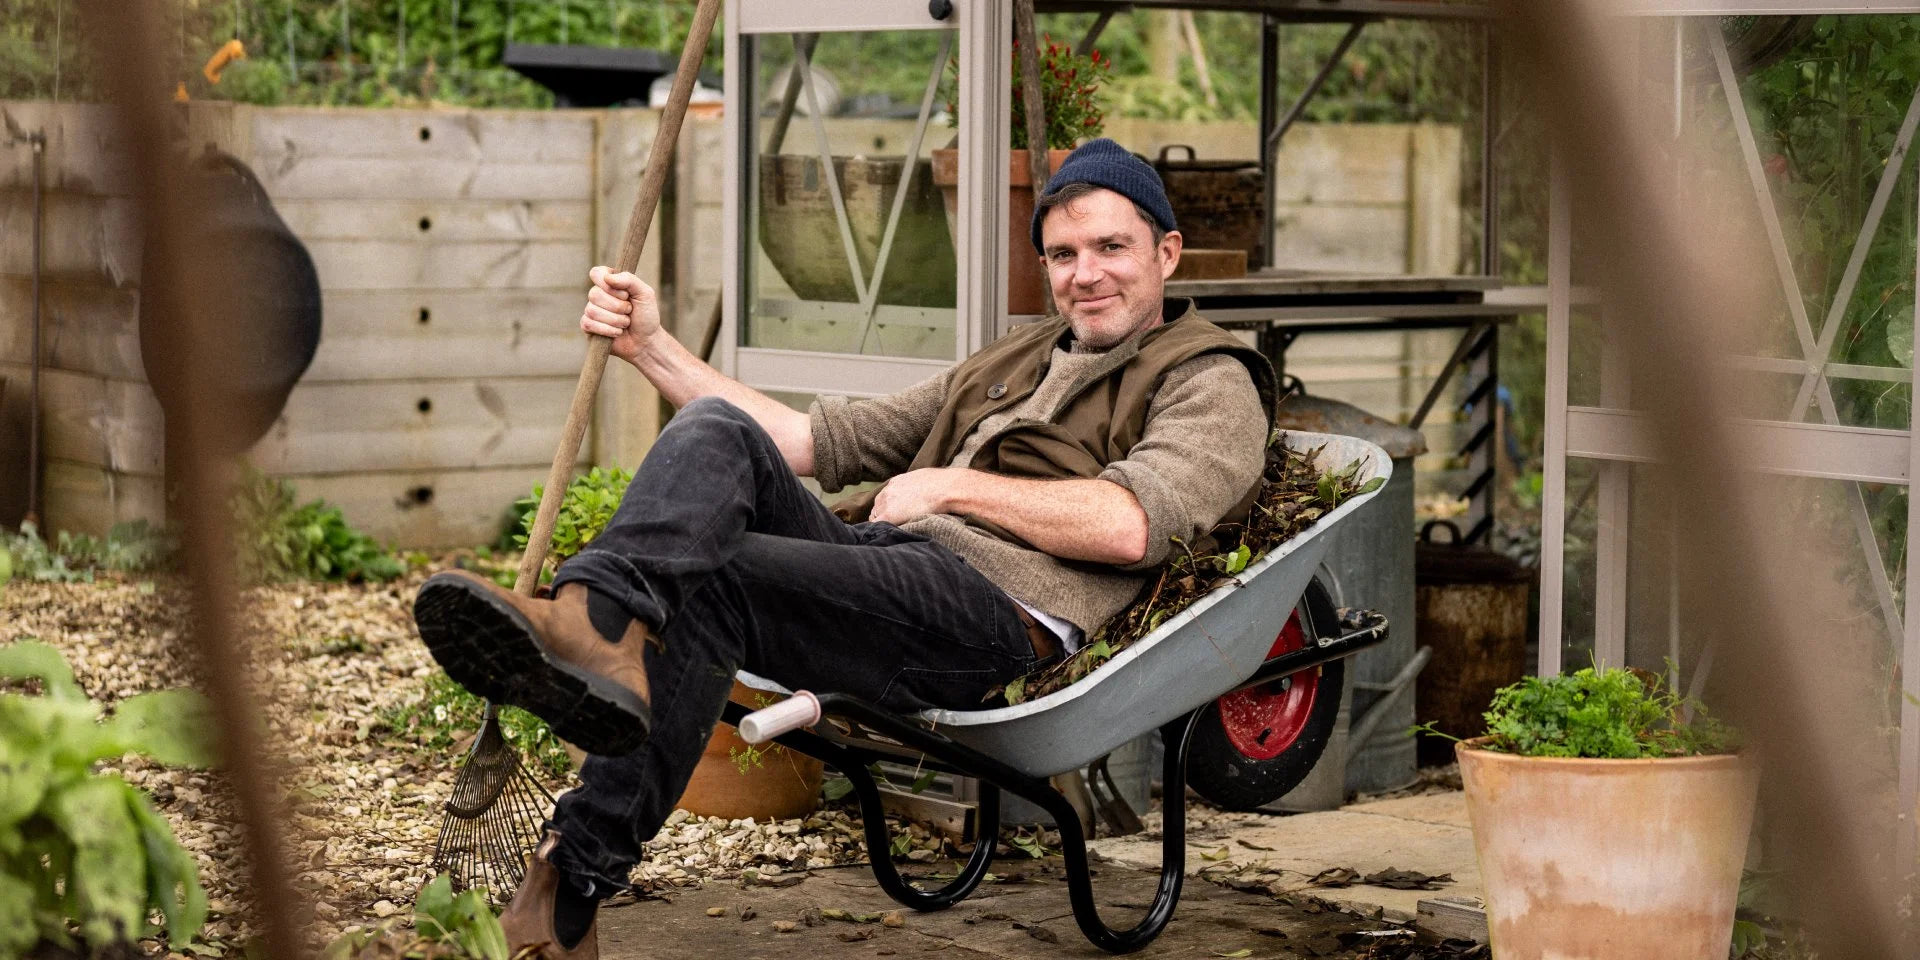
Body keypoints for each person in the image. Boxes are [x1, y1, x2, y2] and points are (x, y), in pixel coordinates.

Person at [410, 138, 1277, 958]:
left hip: (995, 615)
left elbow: (1135, 524)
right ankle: (599, 621)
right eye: (1062, 254)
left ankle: (572, 870)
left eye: (1110, 247)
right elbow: (806, 442)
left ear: (1167, 252)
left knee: (720, 584)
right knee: (717, 429)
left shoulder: (1209, 379)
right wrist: (652, 347)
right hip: (889, 566)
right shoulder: (1016, 358)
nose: (1085, 275)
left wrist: (949, 486)